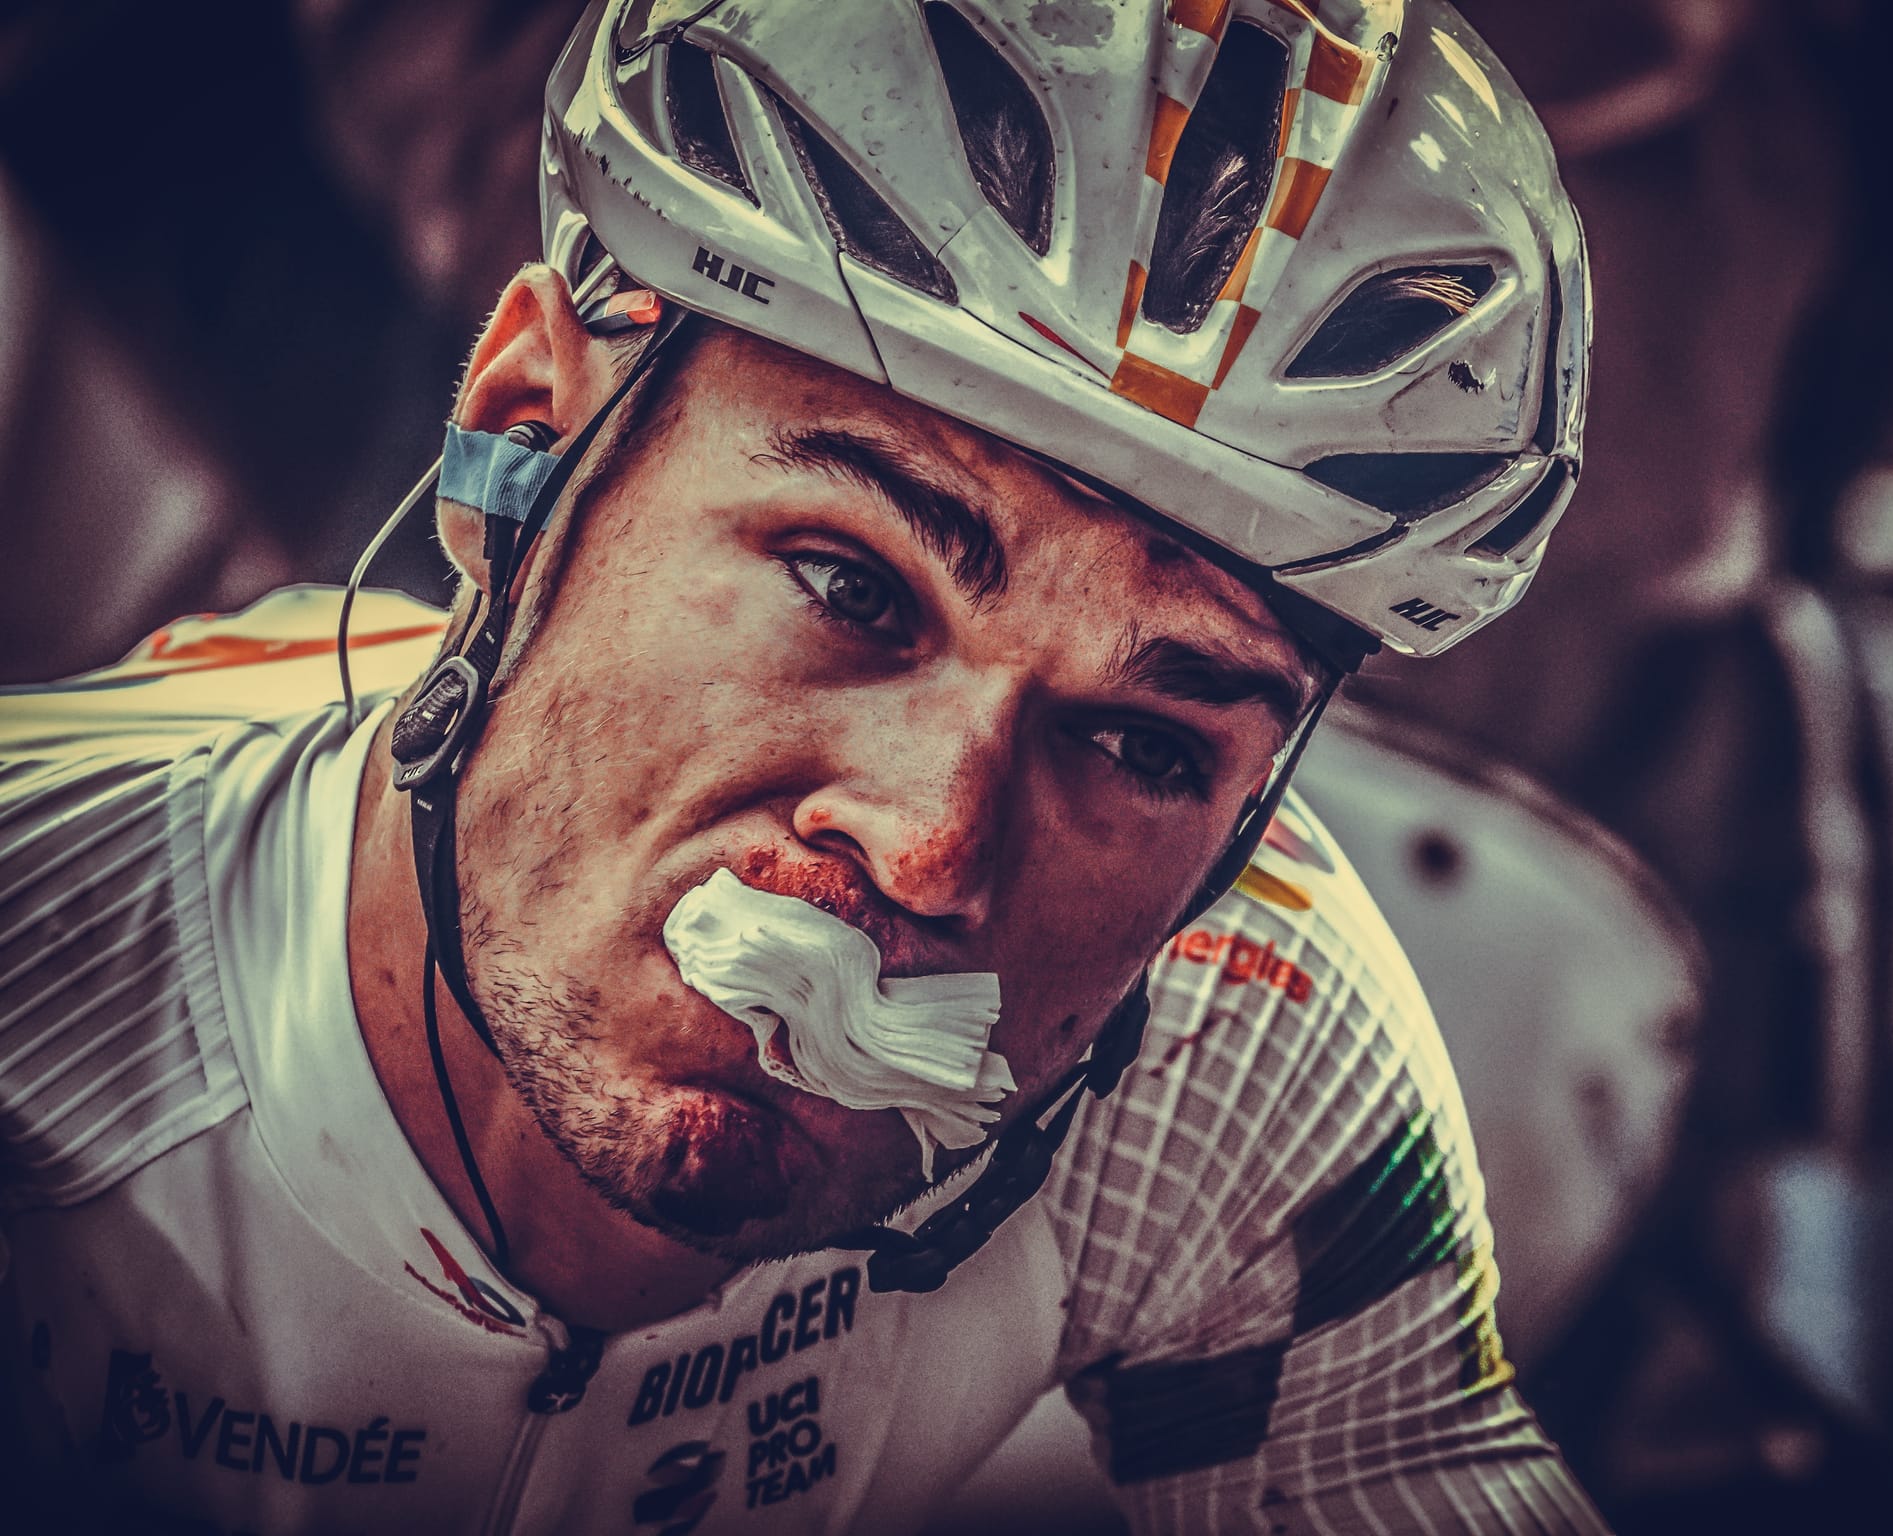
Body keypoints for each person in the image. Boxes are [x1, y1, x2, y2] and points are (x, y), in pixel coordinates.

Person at [0, 0, 1597, 1529]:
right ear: (522, 445)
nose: (929, 850)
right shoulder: (41, 972)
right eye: (851, 586)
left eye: (1141, 743)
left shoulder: (1222, 1048)